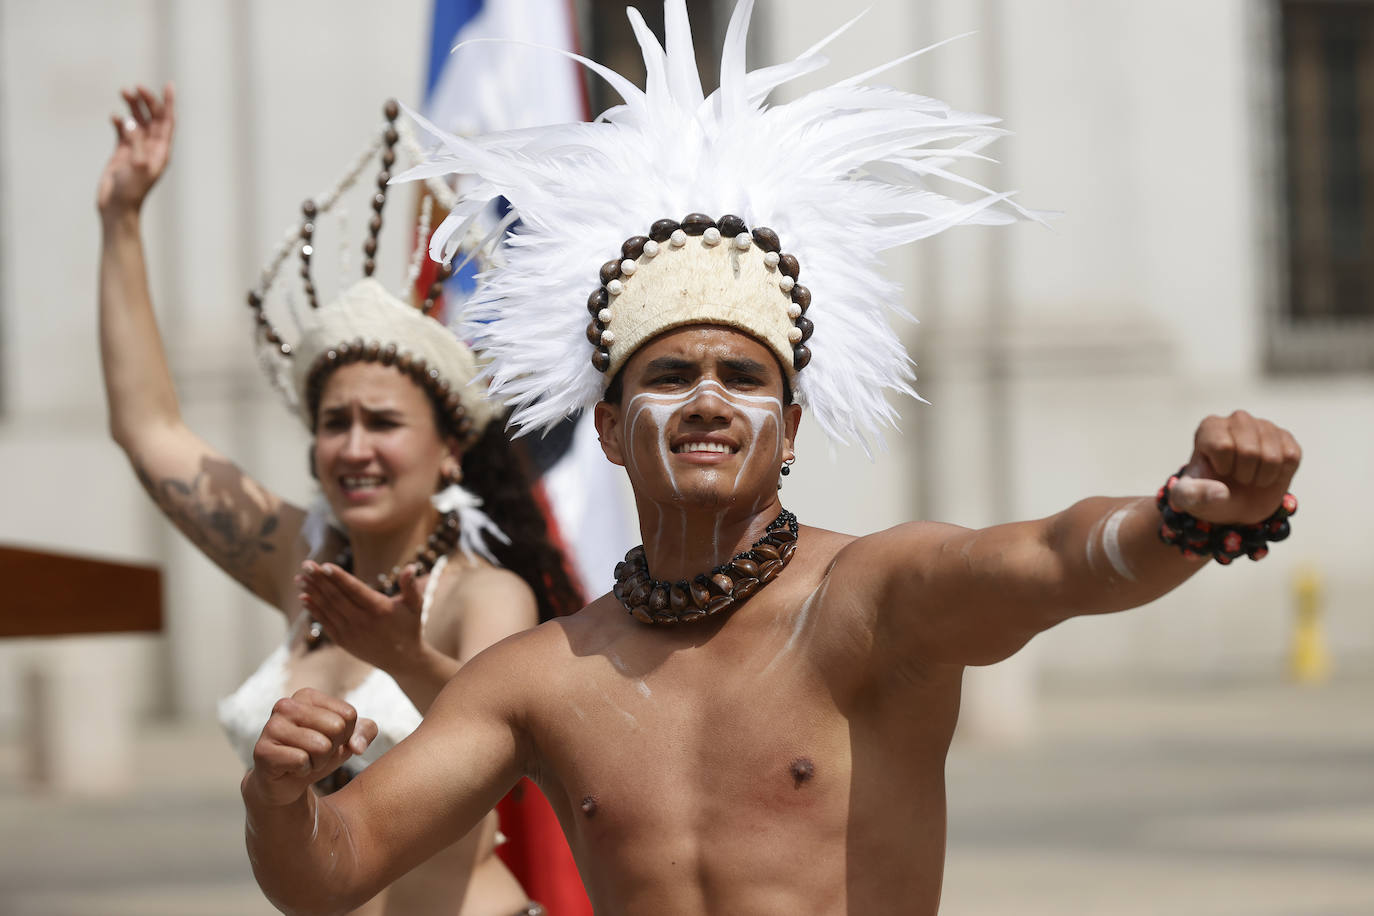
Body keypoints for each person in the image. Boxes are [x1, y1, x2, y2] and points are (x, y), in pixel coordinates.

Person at [240, 3, 1305, 914]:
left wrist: (1184, 513)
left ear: (791, 428)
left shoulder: (871, 604)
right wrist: (281, 798)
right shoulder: (542, 677)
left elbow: (1058, 560)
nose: (707, 399)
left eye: (745, 377)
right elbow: (333, 870)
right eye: (668, 375)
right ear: (609, 427)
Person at [98, 84, 582, 916]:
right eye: (334, 423)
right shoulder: (303, 559)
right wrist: (122, 219)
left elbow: (508, 741)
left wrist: (405, 657)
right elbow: (150, 431)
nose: (354, 447)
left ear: (448, 453)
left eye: (383, 423)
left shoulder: (484, 592)